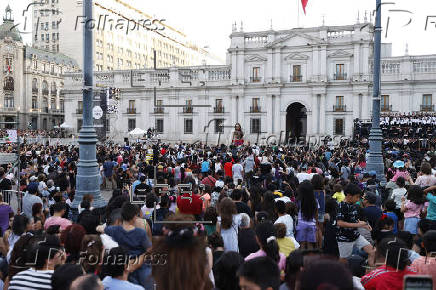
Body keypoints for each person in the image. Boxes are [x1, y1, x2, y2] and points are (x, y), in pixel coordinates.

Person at [99, 202, 152, 289]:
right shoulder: (142, 228)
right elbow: (149, 249)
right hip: (136, 266)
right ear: (134, 216)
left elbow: (102, 229)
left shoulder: (104, 282)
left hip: (122, 266)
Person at [336, 183, 375, 266]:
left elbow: (353, 220)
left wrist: (364, 225)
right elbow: (339, 223)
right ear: (349, 196)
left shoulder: (353, 205)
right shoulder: (341, 206)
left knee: (372, 251)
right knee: (344, 262)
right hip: (345, 238)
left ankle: (370, 273)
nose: (358, 199)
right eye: (357, 197)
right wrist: (358, 225)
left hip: (356, 236)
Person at [295, 181, 318, 249]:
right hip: (311, 224)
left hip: (301, 224)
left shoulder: (299, 200)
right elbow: (316, 214)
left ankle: (302, 258)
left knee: (302, 243)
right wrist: (316, 224)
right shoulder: (315, 201)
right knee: (310, 244)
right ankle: (310, 258)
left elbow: (296, 211)